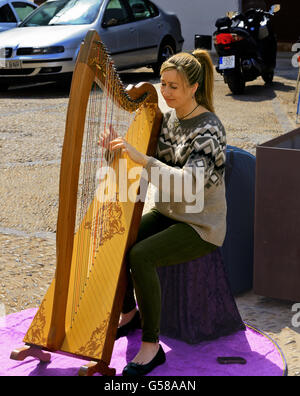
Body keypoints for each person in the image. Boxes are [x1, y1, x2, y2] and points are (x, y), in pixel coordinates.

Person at [109, 49, 227, 376]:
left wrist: (143, 160)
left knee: (141, 255)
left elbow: (190, 185)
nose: (166, 91)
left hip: (201, 224)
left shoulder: (209, 129)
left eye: (174, 86)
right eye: (163, 83)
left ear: (194, 87)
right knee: (117, 240)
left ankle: (151, 347)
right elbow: (143, 161)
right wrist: (117, 150)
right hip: (169, 214)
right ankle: (129, 313)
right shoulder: (170, 118)